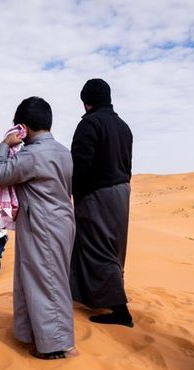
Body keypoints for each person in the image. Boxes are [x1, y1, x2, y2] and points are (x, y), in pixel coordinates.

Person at [0, 96, 77, 359]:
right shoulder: (63, 151)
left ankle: (56, 347)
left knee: (47, 282)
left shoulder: (32, 155)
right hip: (59, 222)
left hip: (43, 225)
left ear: (22, 127)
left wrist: (4, 145)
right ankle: (35, 334)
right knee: (39, 279)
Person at [70, 78, 134, 327]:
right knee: (114, 248)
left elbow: (80, 167)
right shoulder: (123, 126)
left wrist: (77, 195)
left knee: (98, 248)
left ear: (86, 103)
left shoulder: (89, 124)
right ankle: (107, 298)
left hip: (98, 195)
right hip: (122, 192)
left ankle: (121, 312)